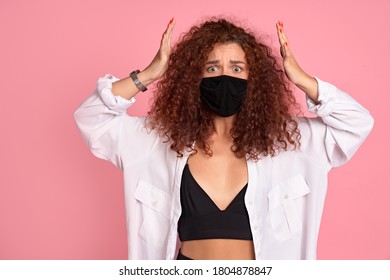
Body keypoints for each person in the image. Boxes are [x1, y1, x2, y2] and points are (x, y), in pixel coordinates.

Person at [74, 17, 374, 260]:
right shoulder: (155, 142)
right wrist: (149, 75)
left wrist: (302, 80)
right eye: (212, 67)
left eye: (237, 68)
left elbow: (357, 123)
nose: (224, 77)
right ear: (194, 78)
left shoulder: (294, 142)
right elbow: (91, 117)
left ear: (254, 79)